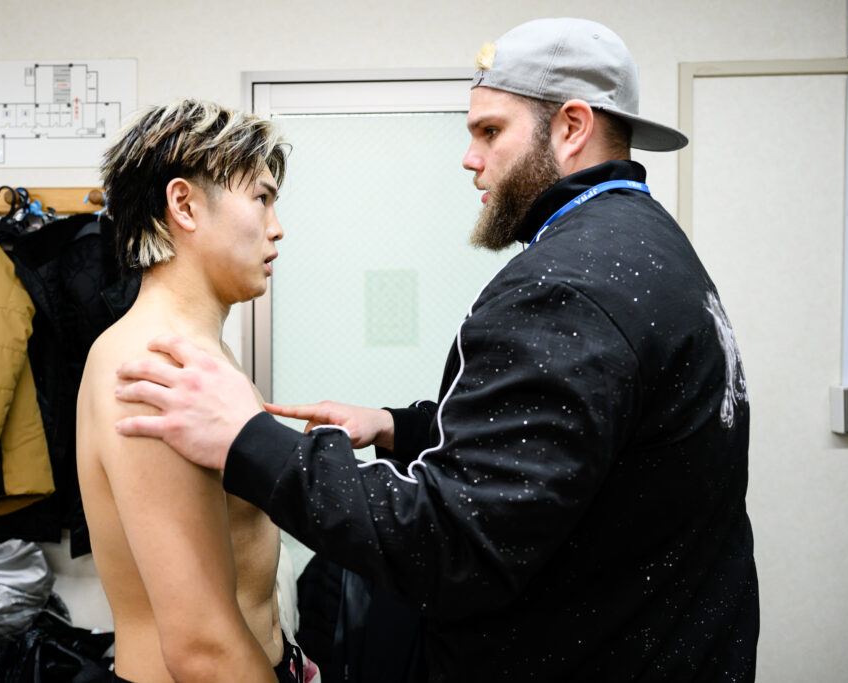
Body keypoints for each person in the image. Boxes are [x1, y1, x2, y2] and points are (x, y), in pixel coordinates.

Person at [114, 18, 760, 682]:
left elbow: (453, 542)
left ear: (572, 128)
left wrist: (252, 442)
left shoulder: (568, 285)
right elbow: (564, 447)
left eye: (490, 131)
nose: (470, 157)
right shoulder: (650, 246)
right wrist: (401, 427)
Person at [76, 99, 312, 682]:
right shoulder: (151, 364)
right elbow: (201, 646)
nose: (277, 227)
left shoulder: (200, 353)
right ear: (184, 205)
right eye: (261, 198)